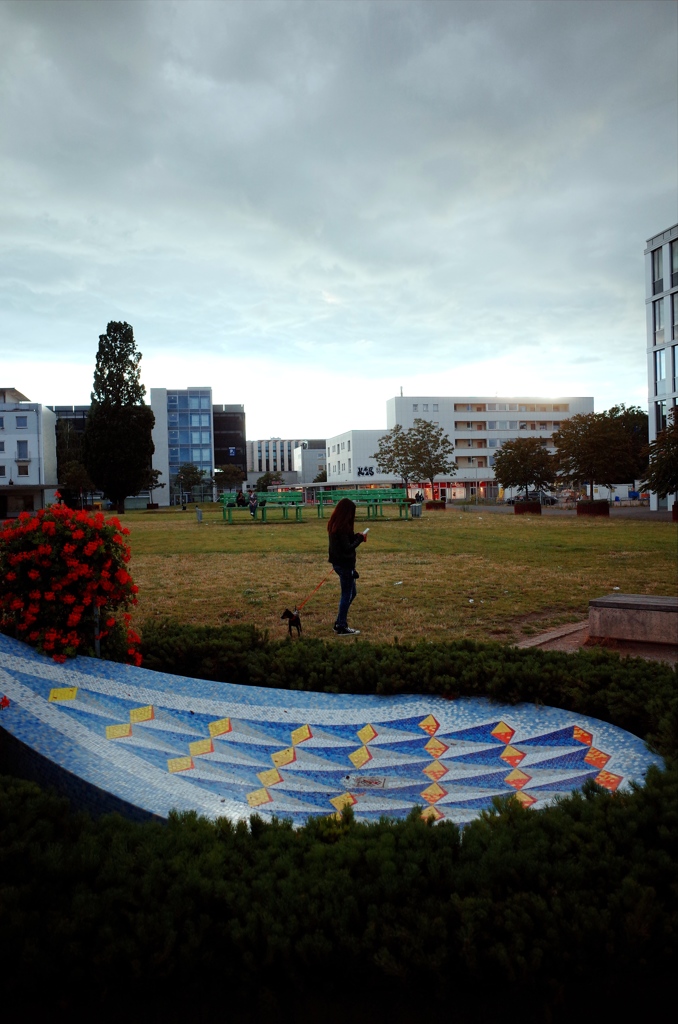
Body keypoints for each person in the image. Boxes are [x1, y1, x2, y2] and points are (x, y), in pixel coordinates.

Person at [327, 497, 367, 636]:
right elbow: (348, 547)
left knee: (351, 593)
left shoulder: (335, 525)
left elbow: (345, 541)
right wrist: (360, 539)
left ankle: (339, 622)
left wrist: (356, 536)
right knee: (347, 594)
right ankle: (341, 626)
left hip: (339, 564)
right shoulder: (342, 527)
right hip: (344, 565)